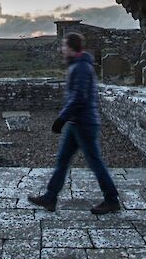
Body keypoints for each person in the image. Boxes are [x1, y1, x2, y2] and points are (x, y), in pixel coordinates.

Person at [28, 32, 121, 214]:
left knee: (95, 162)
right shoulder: (78, 66)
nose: (61, 49)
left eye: (63, 46)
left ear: (71, 48)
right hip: (76, 122)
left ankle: (112, 200)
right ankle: (50, 197)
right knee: (62, 160)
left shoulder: (81, 68)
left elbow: (79, 97)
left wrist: (61, 118)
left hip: (84, 123)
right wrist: (66, 118)